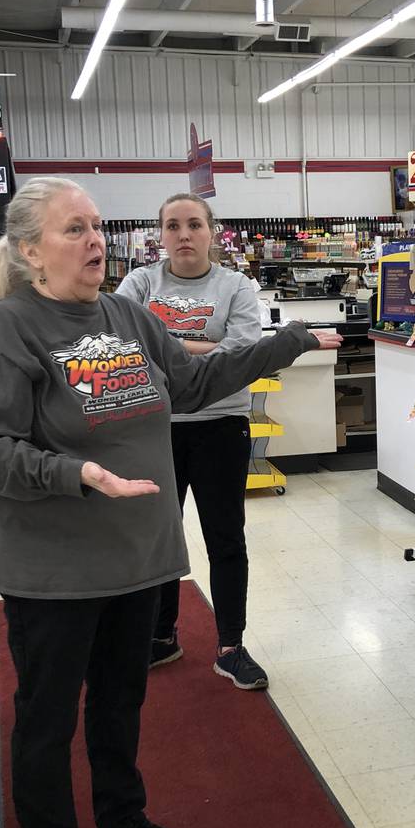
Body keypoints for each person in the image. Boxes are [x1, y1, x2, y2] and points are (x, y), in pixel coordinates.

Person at [0, 177, 341, 828]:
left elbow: (192, 382)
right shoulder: (6, 331)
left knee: (122, 704)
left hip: (135, 560)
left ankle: (122, 822)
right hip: (53, 571)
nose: (95, 241)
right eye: (73, 230)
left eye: (97, 227)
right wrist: (75, 474)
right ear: (30, 251)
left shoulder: (129, 314)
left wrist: (284, 344)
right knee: (46, 719)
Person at [115, 193, 269, 690]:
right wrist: (207, 349)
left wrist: (165, 346)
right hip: (153, 425)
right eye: (174, 226)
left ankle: (230, 646)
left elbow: (243, 352)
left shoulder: (236, 286)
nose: (184, 235)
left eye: (194, 225)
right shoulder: (138, 282)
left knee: (226, 538)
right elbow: (120, 345)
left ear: (212, 231)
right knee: (158, 537)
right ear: (159, 234)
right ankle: (160, 637)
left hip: (221, 424)